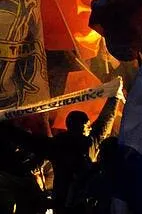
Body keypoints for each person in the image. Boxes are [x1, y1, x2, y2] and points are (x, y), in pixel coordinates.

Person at [44, 78, 123, 212]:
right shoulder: (88, 144)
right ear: (81, 127)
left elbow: (27, 140)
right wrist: (114, 97)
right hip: (81, 205)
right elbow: (104, 122)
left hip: (61, 203)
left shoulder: (55, 144)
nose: (90, 128)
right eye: (88, 125)